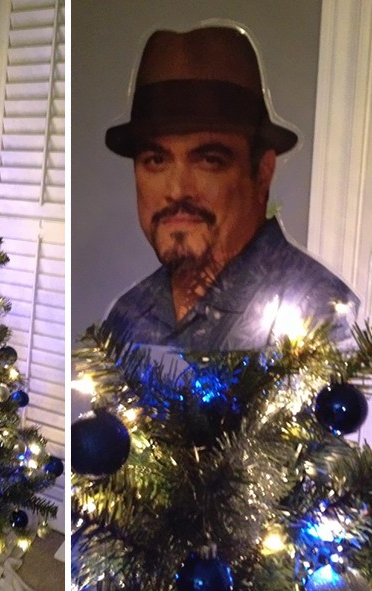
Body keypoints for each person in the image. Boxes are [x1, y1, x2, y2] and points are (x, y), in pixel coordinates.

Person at [103, 25, 359, 351]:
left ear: (262, 171)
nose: (177, 189)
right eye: (156, 160)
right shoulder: (129, 314)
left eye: (209, 160)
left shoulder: (321, 317)